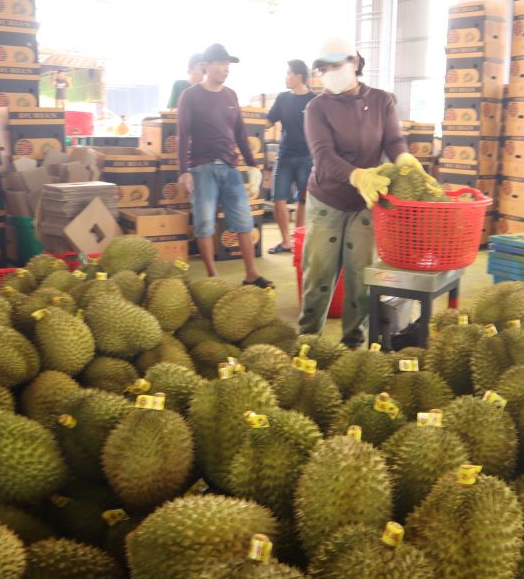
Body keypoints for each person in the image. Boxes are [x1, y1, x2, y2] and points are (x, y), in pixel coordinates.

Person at [299, 37, 431, 347]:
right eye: (324, 68)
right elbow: (323, 156)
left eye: (337, 65)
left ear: (355, 62)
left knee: (360, 280)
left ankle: (353, 344)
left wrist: (405, 158)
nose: (330, 73)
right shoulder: (316, 107)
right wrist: (357, 175)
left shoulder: (382, 100)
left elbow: (393, 140)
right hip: (326, 200)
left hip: (366, 202)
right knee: (318, 279)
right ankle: (307, 343)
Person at [177, 43, 271, 288]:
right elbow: (183, 134)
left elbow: (240, 132)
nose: (225, 69)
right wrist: (183, 171)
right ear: (205, 66)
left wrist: (252, 164)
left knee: (244, 222)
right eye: (220, 63)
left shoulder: (231, 95)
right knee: (205, 223)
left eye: (227, 64)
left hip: (230, 167)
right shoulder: (190, 96)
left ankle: (251, 274)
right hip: (201, 167)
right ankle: (213, 278)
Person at [266, 59, 316, 253]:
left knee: (302, 200)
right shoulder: (282, 99)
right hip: (284, 157)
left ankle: (298, 240)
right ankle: (286, 241)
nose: (286, 77)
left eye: (288, 73)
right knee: (278, 198)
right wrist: (245, 124)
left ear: (299, 76)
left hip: (307, 158)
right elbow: (269, 121)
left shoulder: (314, 100)